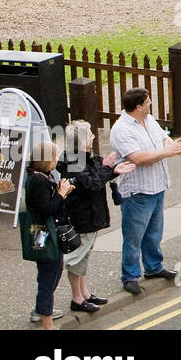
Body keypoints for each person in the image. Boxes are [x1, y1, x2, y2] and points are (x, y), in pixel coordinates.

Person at [110, 87, 181, 294]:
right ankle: (130, 275)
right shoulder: (121, 130)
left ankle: (153, 267)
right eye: (148, 101)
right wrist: (167, 151)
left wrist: (172, 145)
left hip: (157, 185)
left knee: (154, 232)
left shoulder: (149, 120)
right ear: (138, 106)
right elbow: (138, 158)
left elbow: (163, 138)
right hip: (138, 191)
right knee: (134, 236)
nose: (151, 103)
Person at [57, 121, 133, 314]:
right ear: (82, 141)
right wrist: (109, 169)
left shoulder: (83, 158)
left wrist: (110, 169)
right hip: (81, 218)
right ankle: (77, 298)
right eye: (90, 134)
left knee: (84, 257)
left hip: (90, 216)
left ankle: (85, 293)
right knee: (77, 260)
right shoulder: (75, 162)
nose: (92, 137)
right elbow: (92, 183)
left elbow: (98, 175)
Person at [26, 142, 71, 329]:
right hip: (44, 232)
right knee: (48, 275)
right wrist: (61, 194)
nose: (56, 160)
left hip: (40, 232)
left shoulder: (39, 177)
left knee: (52, 270)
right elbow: (46, 209)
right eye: (54, 157)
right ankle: (47, 322)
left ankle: (42, 309)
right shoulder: (39, 181)